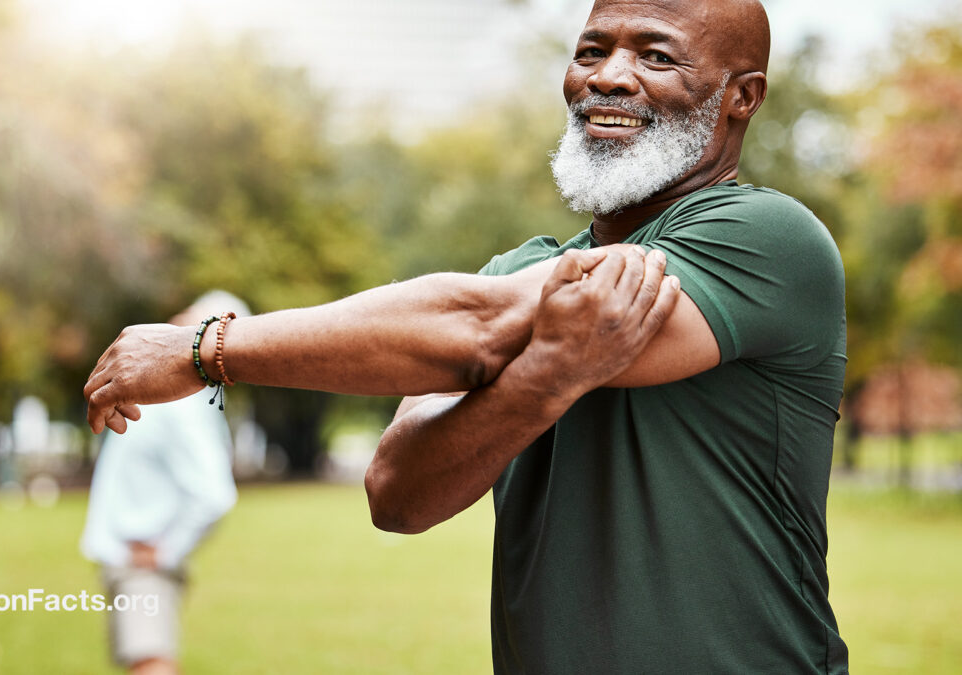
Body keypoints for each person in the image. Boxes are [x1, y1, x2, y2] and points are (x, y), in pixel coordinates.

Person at [83, 0, 849, 672]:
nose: (609, 77)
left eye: (655, 55)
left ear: (740, 97)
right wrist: (543, 380)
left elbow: (478, 326)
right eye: (592, 50)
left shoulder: (769, 238)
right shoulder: (520, 269)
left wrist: (207, 349)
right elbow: (397, 492)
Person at [81, 292, 246, 675]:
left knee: (150, 662)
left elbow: (214, 495)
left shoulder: (183, 404)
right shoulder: (173, 398)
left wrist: (167, 550)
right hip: (132, 557)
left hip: (141, 561)